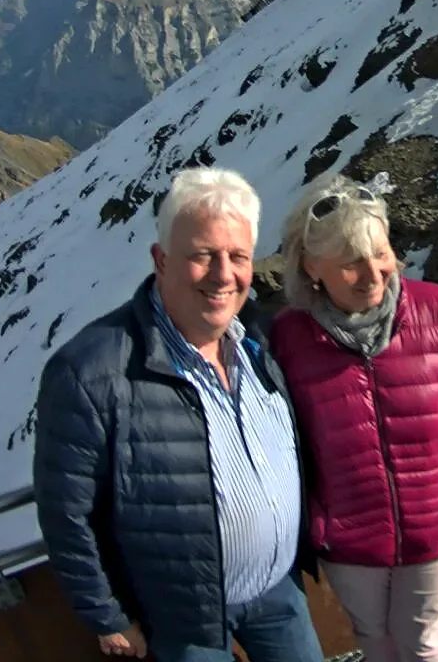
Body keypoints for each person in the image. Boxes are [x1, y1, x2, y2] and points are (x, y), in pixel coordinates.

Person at [32, 167, 325, 661]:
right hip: (182, 618)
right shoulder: (91, 372)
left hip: (278, 590)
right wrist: (106, 614)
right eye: (202, 255)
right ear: (161, 260)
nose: (223, 275)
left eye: (237, 256)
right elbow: (66, 512)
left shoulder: (262, 338)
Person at [269, 173, 438, 662]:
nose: (374, 274)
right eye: (351, 263)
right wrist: (318, 519)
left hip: (436, 526)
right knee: (374, 641)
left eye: (380, 254)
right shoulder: (289, 339)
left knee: (423, 641)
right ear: (313, 268)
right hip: (349, 537)